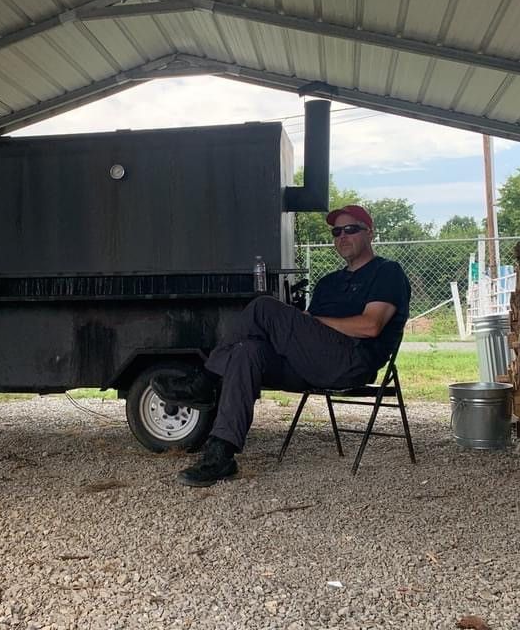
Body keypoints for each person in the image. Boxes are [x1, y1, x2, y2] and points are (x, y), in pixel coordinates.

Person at [152, 205, 410, 486]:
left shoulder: (387, 272)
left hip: (351, 361)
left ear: (370, 233)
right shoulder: (329, 283)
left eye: (351, 229)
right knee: (246, 352)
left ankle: (206, 381)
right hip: (313, 362)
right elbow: (308, 329)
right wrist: (301, 324)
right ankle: (220, 454)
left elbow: (370, 326)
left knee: (263, 307)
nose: (342, 236)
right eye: (336, 232)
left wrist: (311, 322)